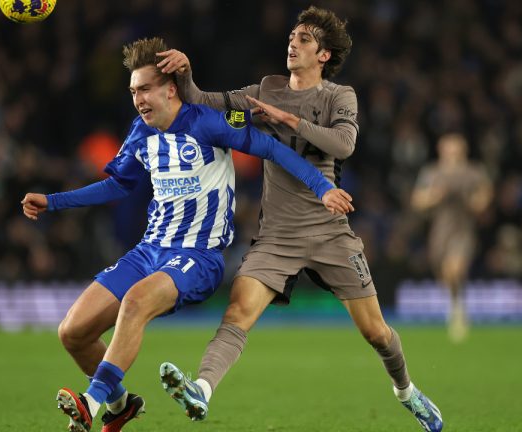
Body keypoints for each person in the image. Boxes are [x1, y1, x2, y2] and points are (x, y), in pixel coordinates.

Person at [20, 37, 354, 432]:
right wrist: (53, 202)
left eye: (145, 89)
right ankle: (119, 403)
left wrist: (323, 187)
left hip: (199, 256)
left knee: (136, 301)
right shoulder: (140, 132)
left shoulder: (207, 122)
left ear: (170, 89)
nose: (139, 99)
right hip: (149, 251)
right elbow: (118, 186)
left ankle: (91, 401)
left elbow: (272, 149)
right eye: (133, 91)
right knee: (73, 332)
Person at [155, 6, 443, 431]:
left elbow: (343, 145)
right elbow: (204, 102)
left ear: (323, 54)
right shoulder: (268, 88)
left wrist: (288, 119)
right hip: (277, 238)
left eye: (304, 39)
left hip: (330, 235)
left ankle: (407, 392)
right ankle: (201, 389)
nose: (293, 42)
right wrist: (185, 76)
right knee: (237, 313)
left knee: (377, 333)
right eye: (292, 35)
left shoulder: (338, 97)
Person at [411, 133, 493, 342]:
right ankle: (456, 302)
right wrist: (434, 197)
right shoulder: (432, 172)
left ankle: (458, 310)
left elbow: (484, 198)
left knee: (454, 268)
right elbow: (417, 201)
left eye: (456, 151)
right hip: (440, 232)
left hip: (463, 230)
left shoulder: (473, 172)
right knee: (445, 275)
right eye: (449, 150)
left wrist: (474, 202)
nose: (452, 155)